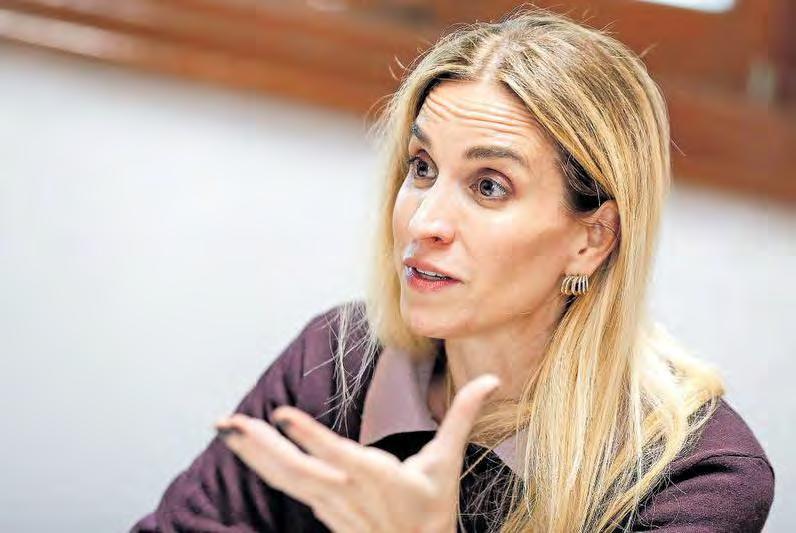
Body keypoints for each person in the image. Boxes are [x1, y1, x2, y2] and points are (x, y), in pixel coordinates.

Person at [131, 7, 775, 533]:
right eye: (422, 168)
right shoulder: (335, 359)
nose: (424, 221)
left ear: (592, 239)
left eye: (489, 185)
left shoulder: (696, 475)